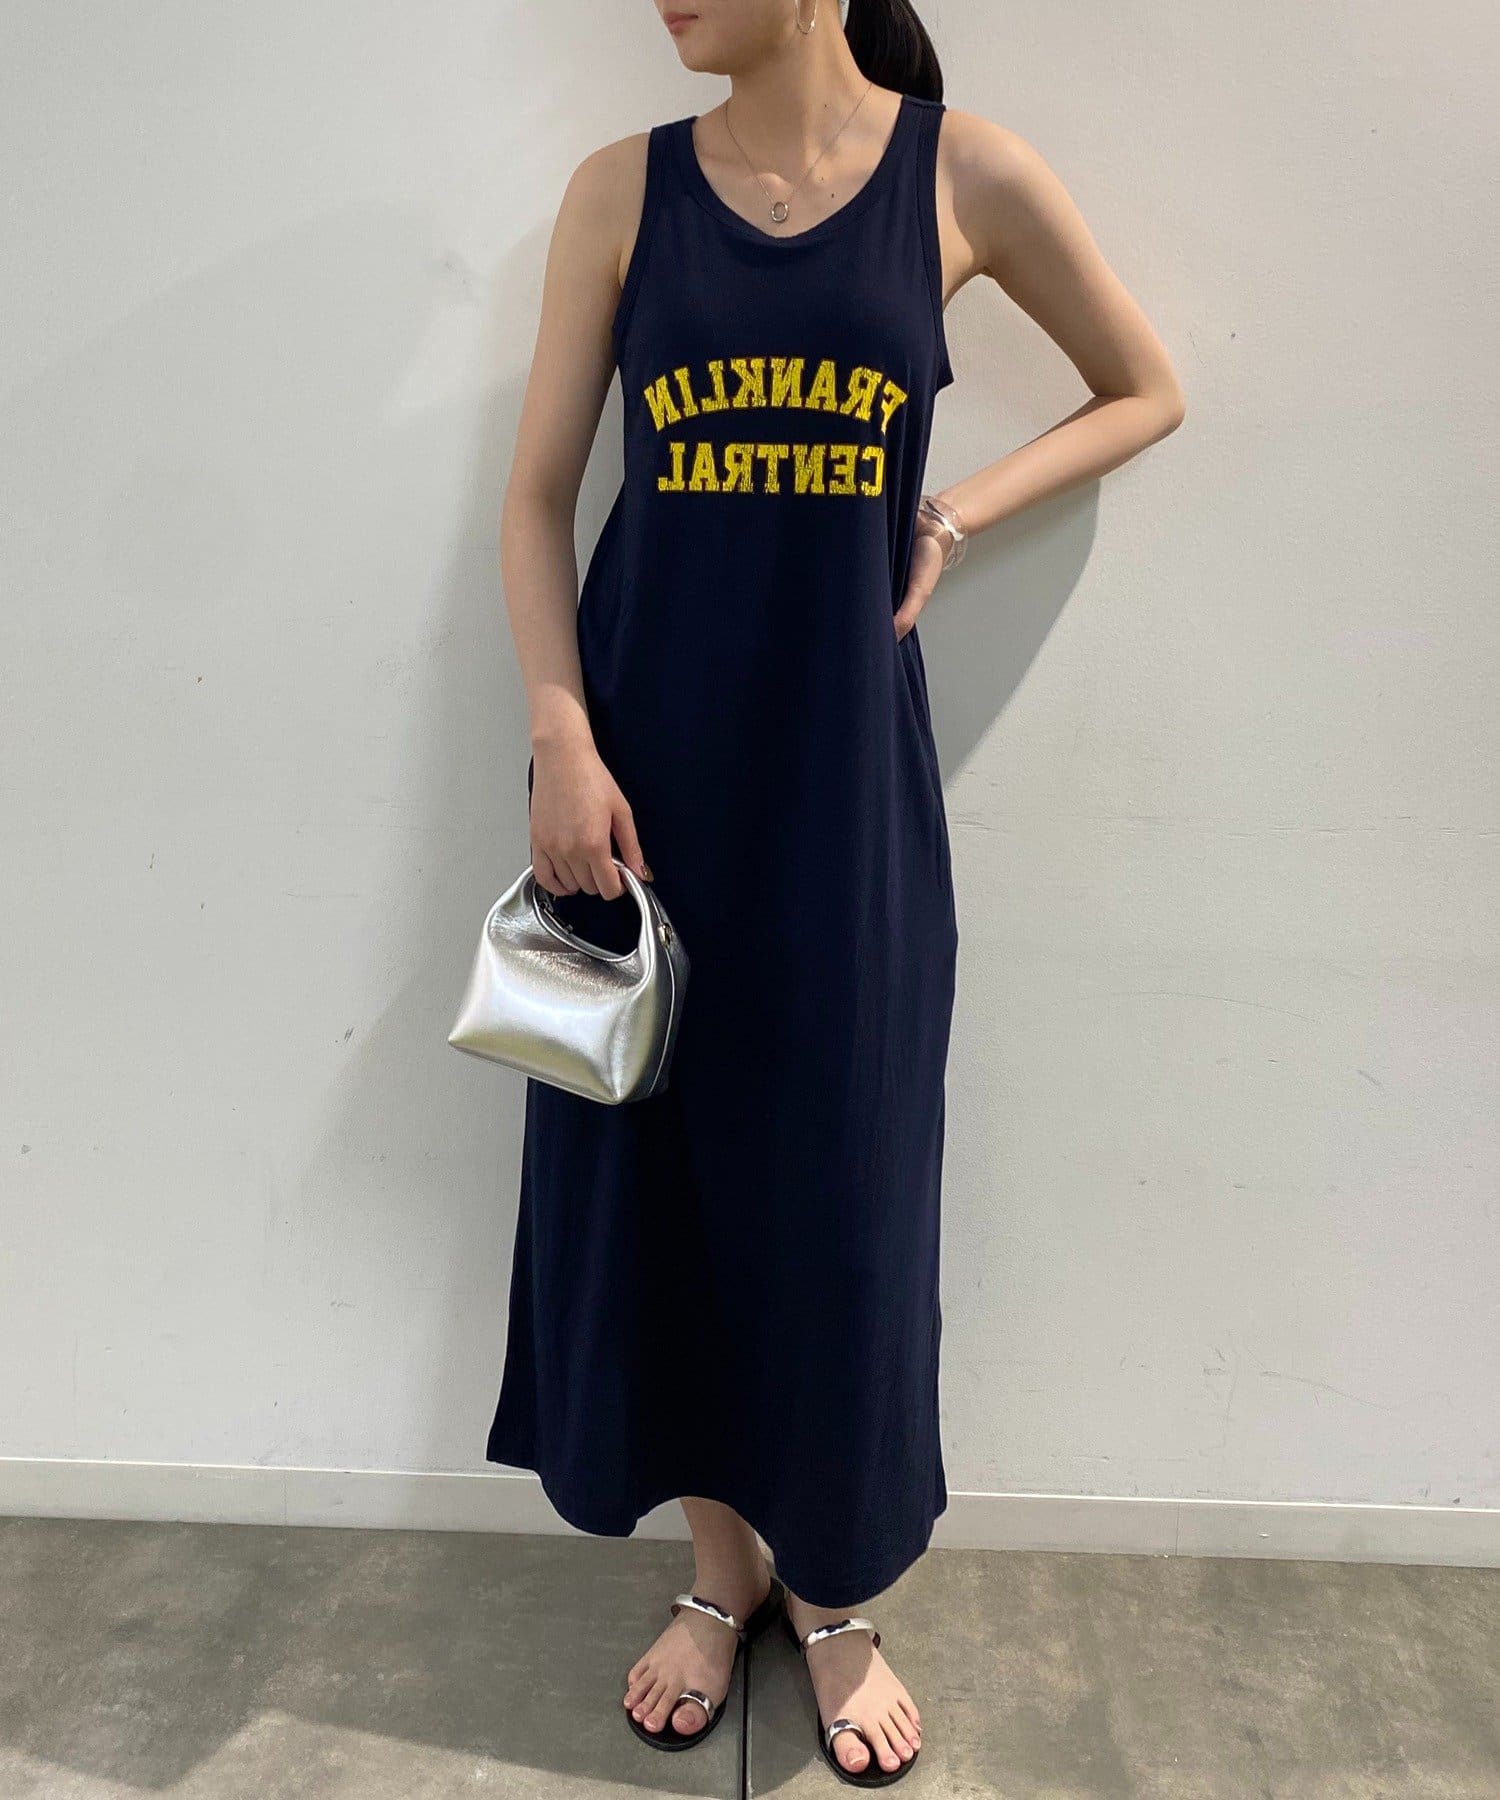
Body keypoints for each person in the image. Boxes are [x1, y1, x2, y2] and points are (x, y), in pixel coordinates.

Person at [487, 0, 1184, 1783]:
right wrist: (561, 739)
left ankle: (834, 1589)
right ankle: (723, 1575)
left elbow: (1146, 387)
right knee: (665, 1180)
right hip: (641, 782)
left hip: (843, 787)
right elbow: (538, 498)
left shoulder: (967, 176)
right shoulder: (620, 193)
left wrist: (954, 515)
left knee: (841, 1185)